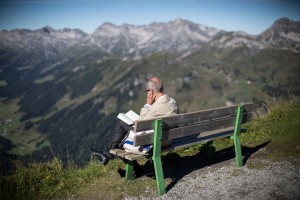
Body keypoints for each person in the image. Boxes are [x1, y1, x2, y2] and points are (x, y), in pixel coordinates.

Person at [92, 76, 179, 166]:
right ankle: (107, 154)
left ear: (152, 91)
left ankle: (108, 155)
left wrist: (148, 104)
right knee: (123, 135)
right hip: (168, 139)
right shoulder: (172, 102)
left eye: (147, 91)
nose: (147, 93)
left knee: (122, 126)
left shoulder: (155, 108)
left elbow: (140, 125)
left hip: (157, 142)